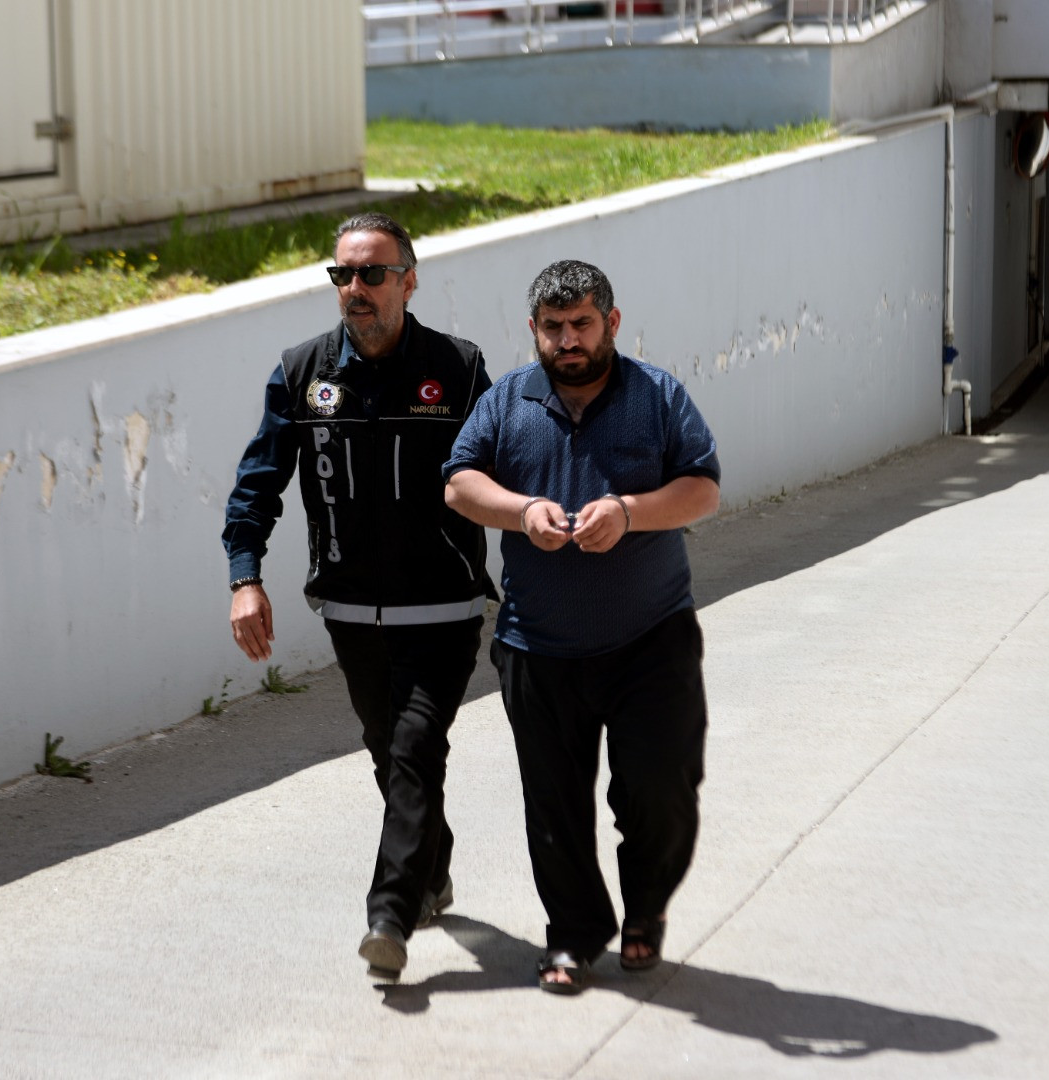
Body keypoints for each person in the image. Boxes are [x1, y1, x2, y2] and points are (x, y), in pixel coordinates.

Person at [222, 212, 493, 982]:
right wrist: (246, 578)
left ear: (409, 279)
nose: (355, 288)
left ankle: (389, 915)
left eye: (372, 273)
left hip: (443, 607)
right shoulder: (302, 371)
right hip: (349, 611)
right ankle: (431, 870)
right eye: (342, 274)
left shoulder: (460, 368)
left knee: (413, 747)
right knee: (389, 753)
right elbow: (257, 486)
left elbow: (512, 464)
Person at [444, 259, 720, 995]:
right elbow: (460, 481)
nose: (568, 340)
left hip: (650, 638)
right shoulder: (507, 400)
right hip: (539, 645)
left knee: (660, 790)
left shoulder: (657, 395)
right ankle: (573, 935)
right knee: (554, 807)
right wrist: (521, 511)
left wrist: (628, 512)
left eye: (582, 325)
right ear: (532, 330)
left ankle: (645, 910)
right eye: (553, 328)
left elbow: (701, 489)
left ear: (611, 322)